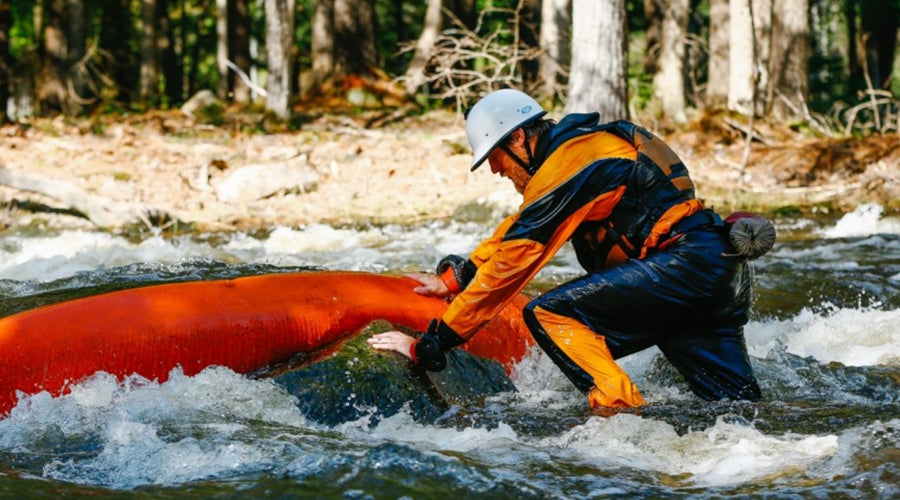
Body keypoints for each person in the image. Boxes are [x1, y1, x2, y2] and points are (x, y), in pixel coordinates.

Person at [368, 88, 767, 410]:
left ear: (520, 138)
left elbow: (512, 263)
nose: (494, 169)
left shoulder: (571, 163)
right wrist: (459, 276)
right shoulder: (576, 157)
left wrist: (432, 343)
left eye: (496, 157)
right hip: (716, 274)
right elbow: (517, 229)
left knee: (548, 313)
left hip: (681, 269)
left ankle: (623, 415)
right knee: (737, 413)